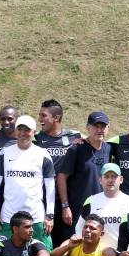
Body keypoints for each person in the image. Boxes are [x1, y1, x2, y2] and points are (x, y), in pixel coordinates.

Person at [0, 115, 56, 249]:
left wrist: (49, 215)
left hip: (36, 217)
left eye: (27, 130)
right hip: (8, 217)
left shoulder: (43, 154)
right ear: (15, 131)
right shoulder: (5, 153)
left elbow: (50, 187)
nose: (23, 133)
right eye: (20, 129)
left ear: (34, 132)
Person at [56, 110, 112, 246]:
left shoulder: (109, 149)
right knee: (73, 247)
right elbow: (61, 176)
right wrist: (65, 206)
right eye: (96, 126)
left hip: (100, 208)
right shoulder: (76, 149)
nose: (100, 130)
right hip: (77, 209)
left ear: (108, 128)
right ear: (88, 127)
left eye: (103, 126)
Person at [35, 99, 83, 245]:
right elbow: (14, 136)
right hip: (44, 201)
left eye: (43, 116)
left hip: (69, 201)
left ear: (56, 118)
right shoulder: (36, 139)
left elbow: (94, 140)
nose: (40, 119)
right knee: (43, 245)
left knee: (68, 245)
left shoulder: (74, 137)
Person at [73, 163, 129, 250]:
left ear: (121, 179)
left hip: (123, 253)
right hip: (96, 253)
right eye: (106, 176)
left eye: (114, 176)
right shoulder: (91, 201)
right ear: (100, 180)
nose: (110, 180)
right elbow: (80, 226)